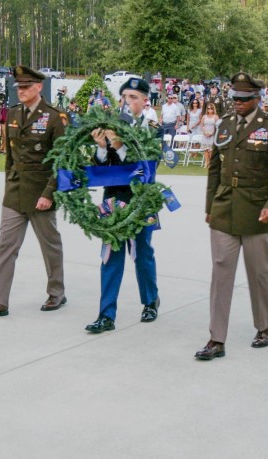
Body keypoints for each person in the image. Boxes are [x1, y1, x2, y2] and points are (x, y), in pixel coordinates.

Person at [195, 72, 268, 361]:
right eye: (234, 98)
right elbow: (214, 169)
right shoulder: (224, 124)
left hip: (257, 210)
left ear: (256, 99)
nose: (237, 103)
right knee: (221, 272)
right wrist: (210, 206)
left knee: (259, 273)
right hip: (224, 207)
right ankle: (216, 339)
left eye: (243, 99)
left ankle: (264, 326)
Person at [0, 65, 67, 317]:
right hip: (16, 192)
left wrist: (49, 194)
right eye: (19, 87)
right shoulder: (13, 114)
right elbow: (10, 154)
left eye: (26, 87)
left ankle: (56, 293)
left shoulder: (54, 117)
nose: (21, 91)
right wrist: (9, 183)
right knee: (7, 245)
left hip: (41, 193)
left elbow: (61, 160)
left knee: (50, 245)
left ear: (38, 87)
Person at [84, 77, 162, 333]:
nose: (128, 102)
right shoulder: (111, 125)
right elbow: (102, 167)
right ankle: (106, 315)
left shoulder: (152, 128)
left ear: (144, 101)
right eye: (125, 97)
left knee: (142, 254)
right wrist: (102, 147)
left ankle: (150, 301)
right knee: (111, 256)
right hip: (114, 199)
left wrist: (120, 145)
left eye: (134, 97)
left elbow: (149, 167)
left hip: (141, 201)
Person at [200, 103, 219, 168]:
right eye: (208, 108)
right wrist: (205, 132)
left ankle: (211, 163)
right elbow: (201, 125)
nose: (210, 110)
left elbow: (217, 126)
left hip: (212, 135)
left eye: (211, 108)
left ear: (213, 109)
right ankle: (206, 162)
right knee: (205, 150)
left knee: (211, 150)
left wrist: (212, 133)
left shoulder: (216, 117)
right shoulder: (204, 116)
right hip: (205, 134)